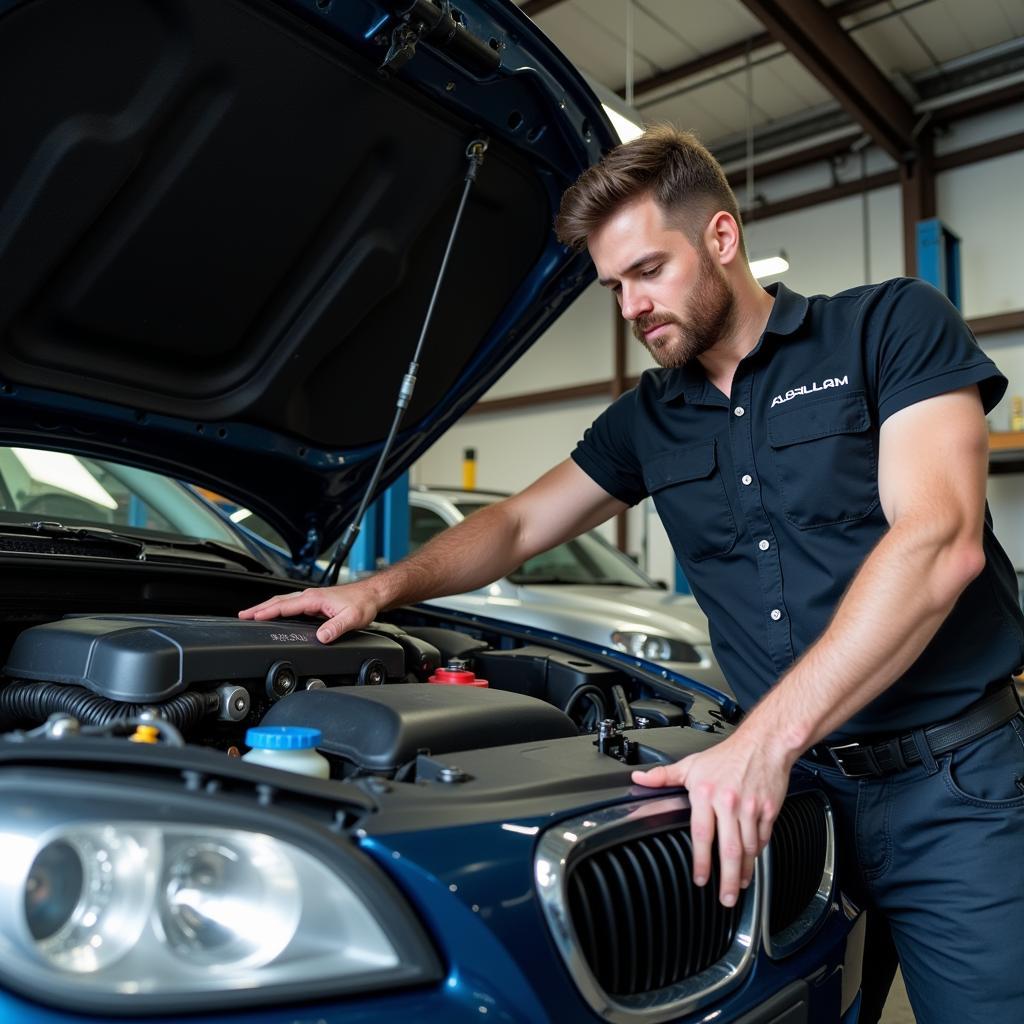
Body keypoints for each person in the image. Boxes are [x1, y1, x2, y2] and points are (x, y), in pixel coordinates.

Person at [240, 125, 1024, 1023]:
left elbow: (940, 540)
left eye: (647, 270)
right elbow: (520, 522)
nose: (629, 307)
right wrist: (381, 587)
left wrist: (761, 745)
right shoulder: (648, 420)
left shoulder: (887, 326)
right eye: (613, 286)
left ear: (722, 239)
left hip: (952, 788)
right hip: (792, 797)